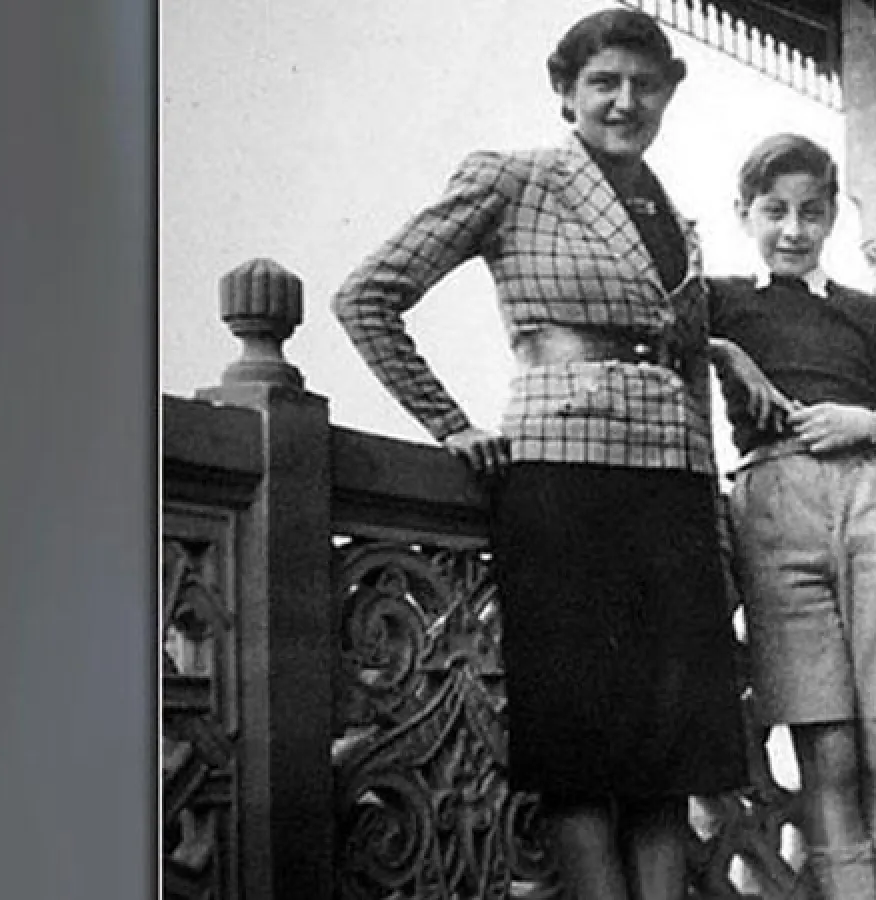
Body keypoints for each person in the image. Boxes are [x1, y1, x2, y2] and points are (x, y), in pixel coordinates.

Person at [331, 10, 750, 900]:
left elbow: (686, 367)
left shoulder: (673, 217)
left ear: (667, 96)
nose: (626, 101)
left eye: (645, 85)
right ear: (566, 92)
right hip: (565, 484)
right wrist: (449, 422)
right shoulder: (514, 178)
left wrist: (711, 513)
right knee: (580, 754)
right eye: (604, 83)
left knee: (669, 756)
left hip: (672, 493)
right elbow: (367, 296)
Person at [706, 133, 876, 900]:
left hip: (869, 500)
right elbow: (654, 323)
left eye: (811, 212)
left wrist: (866, 422)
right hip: (776, 509)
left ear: (833, 216)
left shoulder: (864, 313)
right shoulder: (723, 301)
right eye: (774, 211)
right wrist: (726, 352)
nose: (793, 229)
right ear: (744, 213)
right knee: (828, 753)